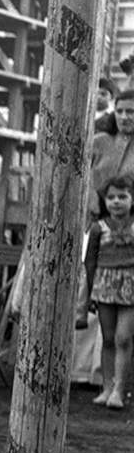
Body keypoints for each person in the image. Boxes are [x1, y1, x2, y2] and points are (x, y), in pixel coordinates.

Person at [82, 174, 134, 409]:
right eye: (111, 197)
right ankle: (107, 387)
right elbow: (90, 261)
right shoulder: (98, 228)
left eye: (122, 197)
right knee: (109, 338)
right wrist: (92, 289)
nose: (116, 202)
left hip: (130, 286)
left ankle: (120, 390)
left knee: (124, 337)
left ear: (132, 199)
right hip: (104, 285)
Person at [91, 87, 134, 213]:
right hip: (96, 217)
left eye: (130, 111)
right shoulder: (98, 142)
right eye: (119, 111)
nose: (123, 117)